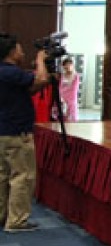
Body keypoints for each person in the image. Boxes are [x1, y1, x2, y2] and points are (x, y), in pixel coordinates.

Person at [0, 32, 50, 232]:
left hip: (3, 131)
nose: (22, 51)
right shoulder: (11, 72)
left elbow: (30, 88)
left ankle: (3, 214)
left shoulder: (5, 74)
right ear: (12, 52)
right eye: (20, 48)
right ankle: (17, 221)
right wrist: (41, 60)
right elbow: (41, 78)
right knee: (22, 176)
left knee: (2, 175)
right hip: (16, 132)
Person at [58, 57, 80, 122]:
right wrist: (61, 98)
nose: (67, 66)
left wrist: (69, 102)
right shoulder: (62, 75)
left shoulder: (76, 76)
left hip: (71, 99)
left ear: (72, 65)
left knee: (71, 116)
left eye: (69, 64)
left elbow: (74, 90)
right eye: (65, 64)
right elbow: (60, 87)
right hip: (62, 98)